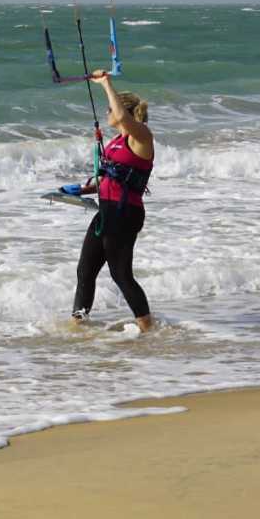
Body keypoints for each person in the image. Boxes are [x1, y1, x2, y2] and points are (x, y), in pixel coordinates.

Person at [62, 70, 154, 332]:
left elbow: (124, 117)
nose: (107, 115)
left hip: (125, 214)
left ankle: (148, 328)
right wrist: (81, 190)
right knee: (85, 271)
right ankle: (78, 325)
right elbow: (108, 180)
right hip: (107, 212)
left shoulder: (141, 138)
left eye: (109, 110)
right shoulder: (116, 142)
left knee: (121, 275)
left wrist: (106, 83)